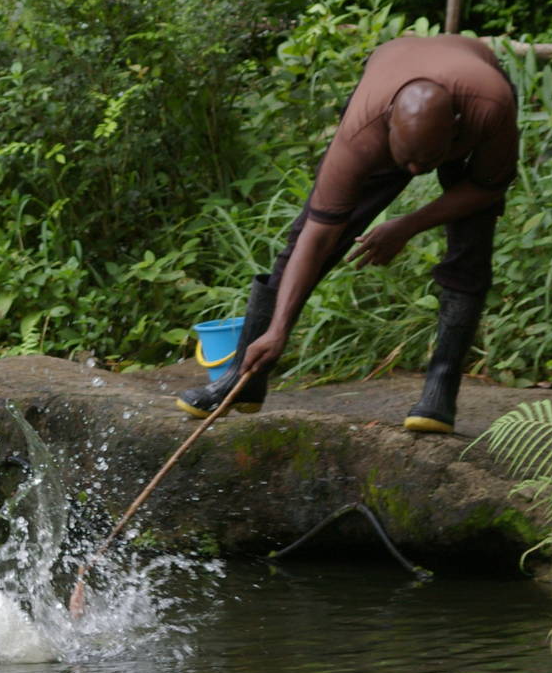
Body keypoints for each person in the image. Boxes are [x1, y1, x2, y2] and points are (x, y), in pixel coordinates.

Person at [176, 34, 519, 434]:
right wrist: (278, 331)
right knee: (308, 233)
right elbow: (318, 236)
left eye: (426, 162)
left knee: (471, 243)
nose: (414, 173)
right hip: (392, 91)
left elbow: (487, 187)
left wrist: (405, 225)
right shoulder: (362, 131)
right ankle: (246, 378)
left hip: (469, 101)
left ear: (456, 130)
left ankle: (439, 392)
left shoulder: (490, 106)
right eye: (404, 161)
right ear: (389, 125)